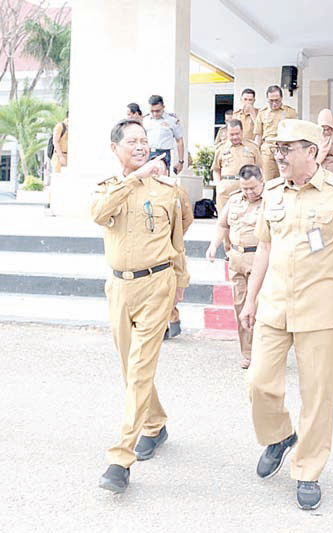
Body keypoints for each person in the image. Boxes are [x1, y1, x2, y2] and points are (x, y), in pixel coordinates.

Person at [240, 119, 333, 511]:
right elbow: (263, 248)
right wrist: (250, 300)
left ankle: (308, 470)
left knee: (317, 395)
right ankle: (280, 435)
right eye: (276, 149)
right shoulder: (274, 192)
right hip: (275, 305)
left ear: (311, 152)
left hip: (320, 310)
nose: (278, 156)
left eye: (287, 149)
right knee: (259, 382)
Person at [91, 119, 189, 493]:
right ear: (114, 148)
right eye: (132, 141)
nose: (141, 146)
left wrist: (181, 282)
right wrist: (135, 178)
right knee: (130, 369)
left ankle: (120, 458)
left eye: (144, 140)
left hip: (157, 284)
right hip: (119, 286)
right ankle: (155, 423)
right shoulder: (108, 189)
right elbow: (98, 214)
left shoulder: (167, 190)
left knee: (141, 367)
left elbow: (177, 241)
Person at [206, 164, 263, 369]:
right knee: (241, 307)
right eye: (245, 188)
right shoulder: (235, 200)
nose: (249, 192)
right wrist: (213, 246)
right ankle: (248, 353)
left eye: (253, 188)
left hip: (260, 260)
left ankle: (265, 352)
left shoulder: (270, 202)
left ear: (262, 182)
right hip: (237, 259)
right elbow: (222, 225)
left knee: (259, 307)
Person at [165, 181, 194, 339]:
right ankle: (164, 325)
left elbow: (187, 217)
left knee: (174, 284)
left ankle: (172, 318)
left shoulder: (177, 192)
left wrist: (176, 234)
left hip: (173, 246)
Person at [254, 85, 297, 181]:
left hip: (285, 148)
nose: (274, 103)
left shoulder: (290, 112)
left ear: (281, 98)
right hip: (268, 150)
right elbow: (258, 135)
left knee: (286, 178)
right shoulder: (262, 113)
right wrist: (256, 154)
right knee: (267, 180)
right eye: (271, 101)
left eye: (276, 100)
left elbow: (295, 133)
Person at [143, 94, 185, 174]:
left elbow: (179, 141)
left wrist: (181, 161)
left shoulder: (172, 120)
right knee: (146, 181)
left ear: (163, 107)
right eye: (152, 111)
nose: (155, 114)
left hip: (164, 154)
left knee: (163, 181)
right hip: (147, 153)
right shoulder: (145, 120)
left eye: (157, 110)